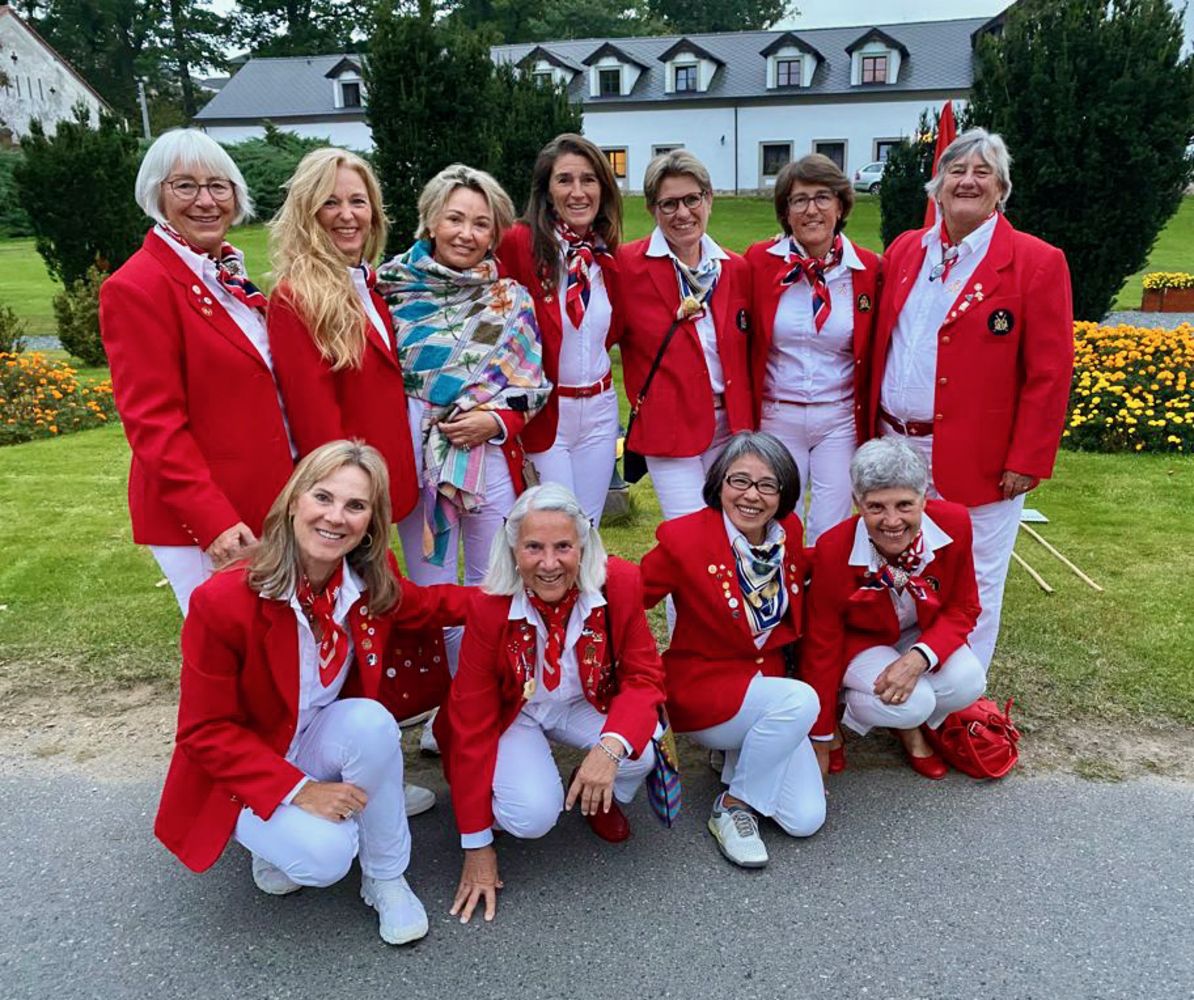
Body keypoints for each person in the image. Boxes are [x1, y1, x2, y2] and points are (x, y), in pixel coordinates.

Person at [154, 440, 472, 944]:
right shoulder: (222, 601)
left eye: (356, 505)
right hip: (247, 763)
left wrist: (521, 590)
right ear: (293, 502)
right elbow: (204, 731)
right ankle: (278, 835)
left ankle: (385, 877)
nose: (336, 517)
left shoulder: (364, 583)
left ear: (371, 522)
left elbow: (433, 605)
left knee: (371, 722)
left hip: (314, 738)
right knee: (325, 856)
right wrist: (299, 791)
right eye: (323, 497)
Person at [869, 128, 1074, 670]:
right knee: (898, 564)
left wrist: (1027, 458)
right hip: (894, 446)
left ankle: (962, 693)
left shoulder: (1036, 261)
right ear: (937, 187)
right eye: (956, 171)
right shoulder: (906, 249)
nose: (968, 181)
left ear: (1001, 189)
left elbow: (1050, 373)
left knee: (977, 576)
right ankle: (902, 678)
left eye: (983, 172)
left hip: (978, 454)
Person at [438, 483, 665, 924]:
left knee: (641, 751)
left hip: (581, 700)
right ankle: (501, 797)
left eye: (563, 546)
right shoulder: (490, 607)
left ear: (583, 545)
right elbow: (471, 720)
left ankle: (593, 791)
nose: (548, 563)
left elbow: (644, 677)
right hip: (515, 712)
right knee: (531, 816)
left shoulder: (620, 583)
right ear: (513, 550)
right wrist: (477, 845)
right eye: (533, 548)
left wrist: (608, 750)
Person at [99, 128, 294, 615]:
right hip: (208, 519)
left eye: (218, 186)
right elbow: (153, 424)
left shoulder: (226, 276)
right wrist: (213, 522)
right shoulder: (138, 287)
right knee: (227, 646)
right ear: (157, 195)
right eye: (185, 186)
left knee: (277, 643)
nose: (206, 201)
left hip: (266, 498)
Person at [640, 431, 824, 869]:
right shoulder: (685, 538)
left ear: (783, 494)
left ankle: (739, 757)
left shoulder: (788, 533)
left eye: (767, 485)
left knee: (805, 819)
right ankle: (733, 806)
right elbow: (630, 597)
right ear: (719, 482)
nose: (751, 495)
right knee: (801, 700)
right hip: (706, 690)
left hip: (767, 693)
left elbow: (809, 568)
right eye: (739, 480)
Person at [376, 163, 551, 595]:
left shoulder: (511, 300)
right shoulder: (390, 291)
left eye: (481, 224)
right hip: (416, 455)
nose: (466, 234)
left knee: (493, 582)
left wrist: (494, 422)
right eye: (454, 219)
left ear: (494, 235)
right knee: (429, 586)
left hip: (488, 454)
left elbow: (529, 384)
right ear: (431, 221)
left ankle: (485, 646)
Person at [801, 438, 986, 779]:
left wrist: (919, 658)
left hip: (916, 634)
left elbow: (964, 607)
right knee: (916, 702)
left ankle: (906, 720)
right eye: (875, 507)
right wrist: (821, 735)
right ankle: (866, 717)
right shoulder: (833, 549)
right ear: (857, 503)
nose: (892, 521)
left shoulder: (955, 522)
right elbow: (821, 645)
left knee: (969, 681)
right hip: (861, 644)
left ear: (924, 498)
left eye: (904, 505)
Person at [267, 147, 419, 527]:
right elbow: (314, 421)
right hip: (349, 493)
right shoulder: (295, 298)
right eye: (330, 203)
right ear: (308, 213)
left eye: (357, 202)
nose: (347, 215)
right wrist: (343, 502)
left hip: (394, 474)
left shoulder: (372, 286)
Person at [744, 154, 882, 544]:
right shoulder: (759, 263)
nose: (811, 210)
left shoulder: (868, 269)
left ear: (841, 206)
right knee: (775, 522)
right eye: (799, 200)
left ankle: (823, 585)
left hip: (838, 419)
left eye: (822, 197)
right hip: (777, 415)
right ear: (785, 213)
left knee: (830, 529)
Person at [618, 150, 753, 521]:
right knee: (690, 532)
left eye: (692, 199)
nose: (683, 213)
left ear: (709, 199)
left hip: (731, 427)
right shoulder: (627, 266)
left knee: (733, 527)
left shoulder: (736, 268)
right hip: (669, 427)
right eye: (669, 204)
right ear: (652, 209)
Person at [497, 134, 624, 525]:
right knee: (555, 526)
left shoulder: (605, 252)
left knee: (588, 528)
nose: (578, 192)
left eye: (589, 180)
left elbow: (613, 329)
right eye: (565, 180)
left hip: (600, 412)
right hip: (546, 412)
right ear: (546, 191)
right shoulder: (519, 243)